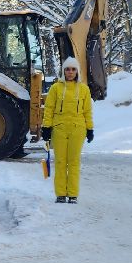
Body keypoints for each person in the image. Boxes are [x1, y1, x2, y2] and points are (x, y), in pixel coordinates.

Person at [40, 55, 94, 204]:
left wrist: (90, 129)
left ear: (77, 72)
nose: (70, 72)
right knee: (60, 162)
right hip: (59, 129)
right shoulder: (56, 88)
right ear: (63, 71)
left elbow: (87, 111)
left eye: (73, 69)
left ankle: (73, 194)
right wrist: (46, 127)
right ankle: (61, 194)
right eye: (67, 69)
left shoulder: (84, 89)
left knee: (74, 161)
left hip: (78, 129)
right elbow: (49, 109)